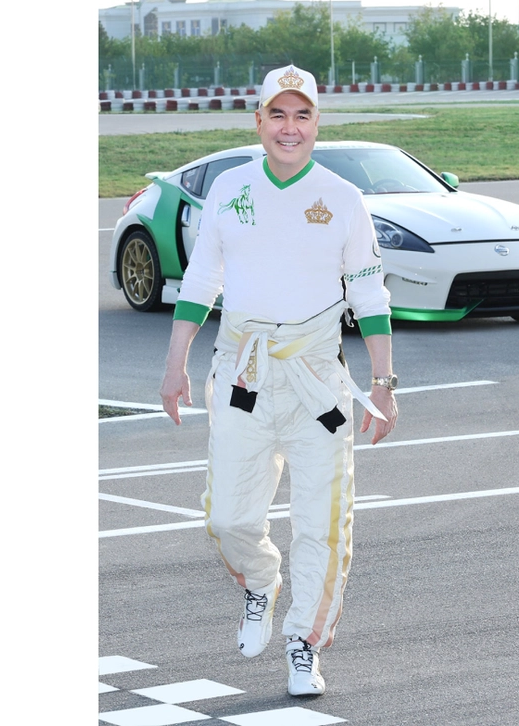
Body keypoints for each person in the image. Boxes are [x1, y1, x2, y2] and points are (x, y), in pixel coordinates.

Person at [159, 64, 398, 697]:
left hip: (317, 380)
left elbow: (369, 293)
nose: (289, 128)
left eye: (302, 115)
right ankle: (261, 581)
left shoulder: (342, 198)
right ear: (259, 120)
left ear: (317, 122)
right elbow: (201, 280)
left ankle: (304, 642)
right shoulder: (229, 189)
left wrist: (383, 381)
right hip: (243, 371)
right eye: (278, 114)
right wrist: (176, 363)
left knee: (322, 523)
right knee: (228, 518)